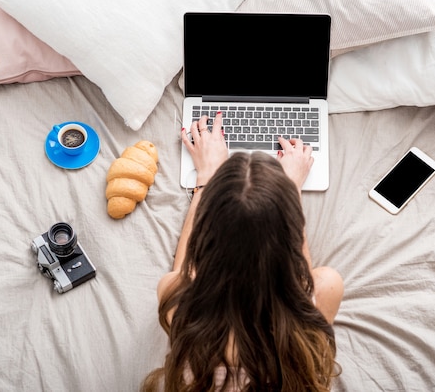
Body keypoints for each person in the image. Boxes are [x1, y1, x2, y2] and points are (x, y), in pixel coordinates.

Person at [142, 112, 344, 391]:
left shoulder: (175, 298)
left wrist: (206, 178)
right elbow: (301, 277)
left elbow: (184, 271)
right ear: (291, 230)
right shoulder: (323, 295)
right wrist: (290, 191)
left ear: (206, 235)